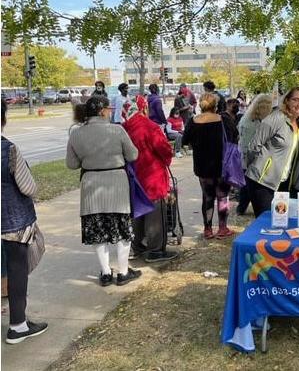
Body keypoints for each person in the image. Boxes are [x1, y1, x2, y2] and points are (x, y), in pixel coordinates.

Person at [66, 96, 142, 286]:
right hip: (116, 183)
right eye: (109, 108)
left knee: (97, 231)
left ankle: (106, 272)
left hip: (91, 185)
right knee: (122, 230)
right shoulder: (117, 130)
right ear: (102, 111)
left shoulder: (75, 133)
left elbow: (72, 164)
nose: (111, 111)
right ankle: (124, 272)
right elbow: (133, 155)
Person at [2, 100, 48, 344]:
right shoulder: (9, 150)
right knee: (17, 271)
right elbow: (28, 186)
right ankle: (18, 325)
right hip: (12, 222)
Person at [122, 96, 177, 262]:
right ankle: (155, 250)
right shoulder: (150, 126)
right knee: (155, 212)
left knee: (136, 211)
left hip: (132, 175)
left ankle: (137, 246)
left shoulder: (123, 128)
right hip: (152, 174)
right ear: (143, 108)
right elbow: (164, 149)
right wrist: (167, 159)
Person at [245, 87, 299, 217]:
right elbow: (253, 147)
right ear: (286, 101)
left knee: (279, 221)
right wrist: (259, 168)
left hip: (283, 181)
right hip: (262, 181)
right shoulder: (276, 118)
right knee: (264, 221)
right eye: (296, 100)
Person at [182, 93, 238, 239]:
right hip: (222, 164)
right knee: (222, 197)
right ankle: (222, 228)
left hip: (202, 165)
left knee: (207, 197)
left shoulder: (192, 121)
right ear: (216, 105)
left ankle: (207, 229)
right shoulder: (224, 119)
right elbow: (235, 136)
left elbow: (185, 141)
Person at [237, 94, 273, 215]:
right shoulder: (255, 123)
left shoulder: (246, 118)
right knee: (249, 186)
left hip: (244, 157)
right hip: (251, 159)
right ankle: (242, 208)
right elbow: (252, 146)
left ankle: (241, 208)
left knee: (245, 186)